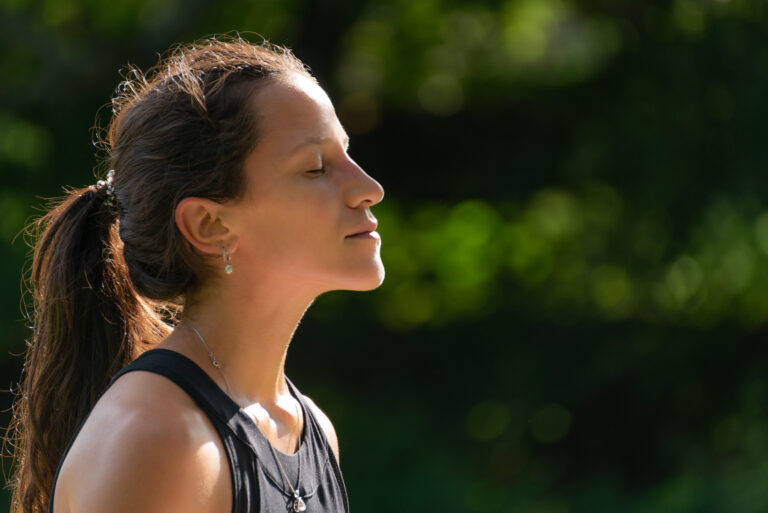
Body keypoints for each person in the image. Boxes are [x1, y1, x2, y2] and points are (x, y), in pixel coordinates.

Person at [5, 35, 385, 513]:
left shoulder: (312, 431)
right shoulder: (155, 437)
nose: (369, 188)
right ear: (209, 224)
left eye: (347, 154)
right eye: (315, 167)